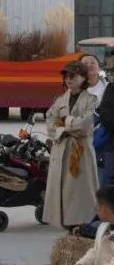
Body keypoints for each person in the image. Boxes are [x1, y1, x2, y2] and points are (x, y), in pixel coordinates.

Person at [43, 61, 98, 229]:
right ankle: (67, 224)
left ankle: (83, 225)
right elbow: (50, 122)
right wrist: (65, 128)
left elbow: (86, 125)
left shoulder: (92, 100)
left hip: (80, 152)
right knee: (62, 189)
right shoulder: (60, 100)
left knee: (80, 191)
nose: (68, 79)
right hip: (60, 151)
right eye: (66, 75)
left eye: (72, 75)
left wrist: (64, 122)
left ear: (83, 77)